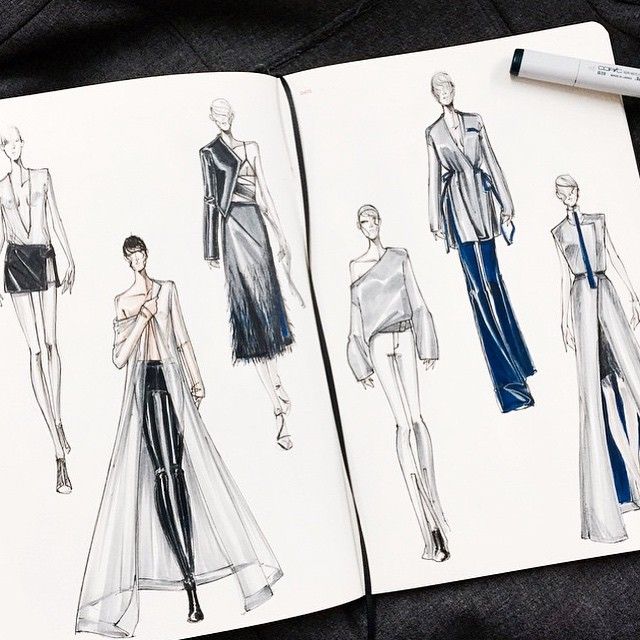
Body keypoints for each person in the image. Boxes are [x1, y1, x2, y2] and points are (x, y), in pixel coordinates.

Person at [76, 236, 282, 637]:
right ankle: (188, 581)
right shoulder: (123, 301)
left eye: (140, 253)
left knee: (179, 471)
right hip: (146, 384)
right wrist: (142, 317)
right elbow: (119, 358)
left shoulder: (168, 289)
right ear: (126, 260)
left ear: (146, 255)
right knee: (163, 473)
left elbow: (183, 337)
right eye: (131, 256)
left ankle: (191, 578)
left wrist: (197, 379)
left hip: (173, 382)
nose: (137, 260)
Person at [425, 72, 535, 413]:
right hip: (457, 210)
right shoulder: (433, 133)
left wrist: (506, 204)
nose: (444, 92)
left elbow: (491, 160)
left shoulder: (475, 121)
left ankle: (520, 363)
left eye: (448, 86)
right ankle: (509, 386)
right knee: (477, 291)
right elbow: (433, 177)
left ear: (454, 89)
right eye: (439, 89)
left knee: (494, 283)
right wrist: (435, 221)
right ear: (434, 95)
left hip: (483, 206)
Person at [347, 204, 449, 561]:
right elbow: (356, 316)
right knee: (403, 423)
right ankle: (425, 523)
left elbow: (417, 299)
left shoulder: (400, 256)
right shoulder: (355, 267)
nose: (370, 225)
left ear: (380, 222)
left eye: (374, 219)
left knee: (417, 419)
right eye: (364, 221)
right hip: (378, 344)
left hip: (404, 334)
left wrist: (427, 343)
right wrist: (359, 363)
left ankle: (434, 500)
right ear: (359, 227)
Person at [200, 98, 302, 450]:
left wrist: (282, 234)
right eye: (218, 114)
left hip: (256, 225)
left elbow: (265, 192)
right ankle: (276, 402)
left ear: (233, 115)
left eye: (228, 113)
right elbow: (209, 199)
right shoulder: (209, 152)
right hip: (231, 229)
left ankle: (277, 384)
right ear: (212, 118)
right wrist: (210, 248)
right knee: (246, 308)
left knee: (266, 301)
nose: (224, 118)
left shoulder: (251, 147)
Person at [552, 175, 640, 543]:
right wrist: (563, 318)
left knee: (626, 375)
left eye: (572, 190)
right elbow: (563, 274)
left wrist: (633, 293)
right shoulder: (559, 232)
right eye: (563, 192)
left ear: (578, 192)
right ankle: (616, 492)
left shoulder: (597, 221)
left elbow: (614, 255)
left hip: (605, 290)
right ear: (558, 197)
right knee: (596, 386)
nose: (569, 196)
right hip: (580, 301)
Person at [0, 125, 75, 493]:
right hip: (16, 262)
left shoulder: (43, 176)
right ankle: (57, 448)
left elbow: (56, 218)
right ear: (3, 149)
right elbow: (0, 236)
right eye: (6, 143)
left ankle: (58, 418)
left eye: (16, 140)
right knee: (34, 351)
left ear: (22, 143)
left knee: (50, 344)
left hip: (43, 256)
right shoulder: (0, 188)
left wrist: (70, 256)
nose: (12, 146)